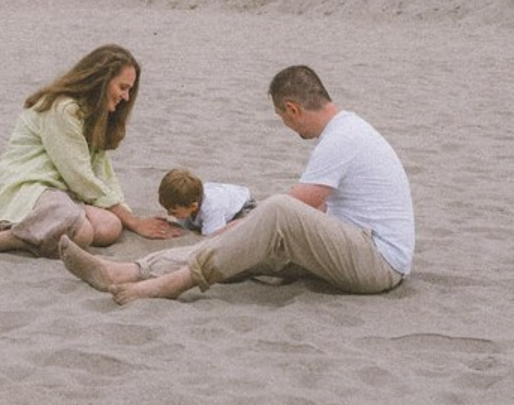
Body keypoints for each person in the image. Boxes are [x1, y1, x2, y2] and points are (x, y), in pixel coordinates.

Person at [59, 65, 415, 303]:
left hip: (377, 262)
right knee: (246, 247)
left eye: (282, 118)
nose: (286, 127)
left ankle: (175, 283)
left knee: (276, 209)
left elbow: (300, 206)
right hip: (353, 248)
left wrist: (248, 225)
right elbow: (320, 210)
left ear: (292, 109)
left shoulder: (342, 138)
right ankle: (129, 271)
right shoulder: (342, 132)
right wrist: (247, 232)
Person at [0, 43, 179, 257]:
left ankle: (36, 230)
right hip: (30, 188)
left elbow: (102, 173)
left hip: (64, 193)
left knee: (110, 227)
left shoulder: (93, 115)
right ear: (101, 79)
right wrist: (136, 222)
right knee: (82, 233)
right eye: (122, 87)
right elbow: (79, 176)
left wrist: (130, 219)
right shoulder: (62, 108)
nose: (126, 97)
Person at [158, 167, 255, 235]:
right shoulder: (188, 202)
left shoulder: (212, 208)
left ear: (193, 206)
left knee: (238, 232)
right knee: (189, 224)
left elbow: (212, 239)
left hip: (243, 206)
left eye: (173, 212)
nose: (169, 214)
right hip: (222, 196)